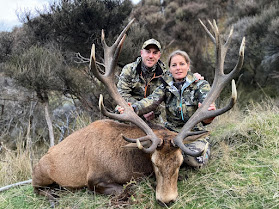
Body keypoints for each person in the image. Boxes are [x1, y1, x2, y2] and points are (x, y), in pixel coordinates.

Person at [119, 50, 215, 168]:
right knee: (148, 153)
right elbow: (151, 101)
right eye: (174, 65)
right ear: (169, 69)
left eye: (182, 64)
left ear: (188, 65)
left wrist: (209, 114)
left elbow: (207, 119)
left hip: (193, 134)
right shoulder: (165, 87)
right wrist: (133, 108)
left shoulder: (201, 85)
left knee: (195, 161)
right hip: (170, 134)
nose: (178, 68)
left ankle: (202, 148)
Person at [117, 38, 167, 122]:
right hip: (130, 110)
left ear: (159, 56)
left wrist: (192, 77)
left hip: (152, 116)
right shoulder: (129, 69)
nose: (151, 56)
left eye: (155, 53)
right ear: (141, 53)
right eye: (148, 52)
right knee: (119, 112)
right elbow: (122, 95)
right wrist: (140, 110)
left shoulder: (165, 75)